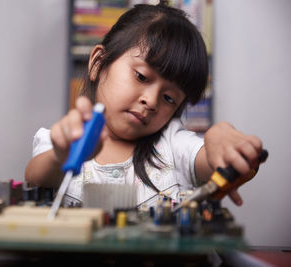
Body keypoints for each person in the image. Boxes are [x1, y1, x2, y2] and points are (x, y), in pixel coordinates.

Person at [25, 2, 263, 208]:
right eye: (141, 77)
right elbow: (36, 176)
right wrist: (61, 155)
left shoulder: (173, 144)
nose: (150, 101)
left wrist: (219, 137)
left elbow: (212, 162)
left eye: (169, 98)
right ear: (98, 63)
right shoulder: (62, 140)